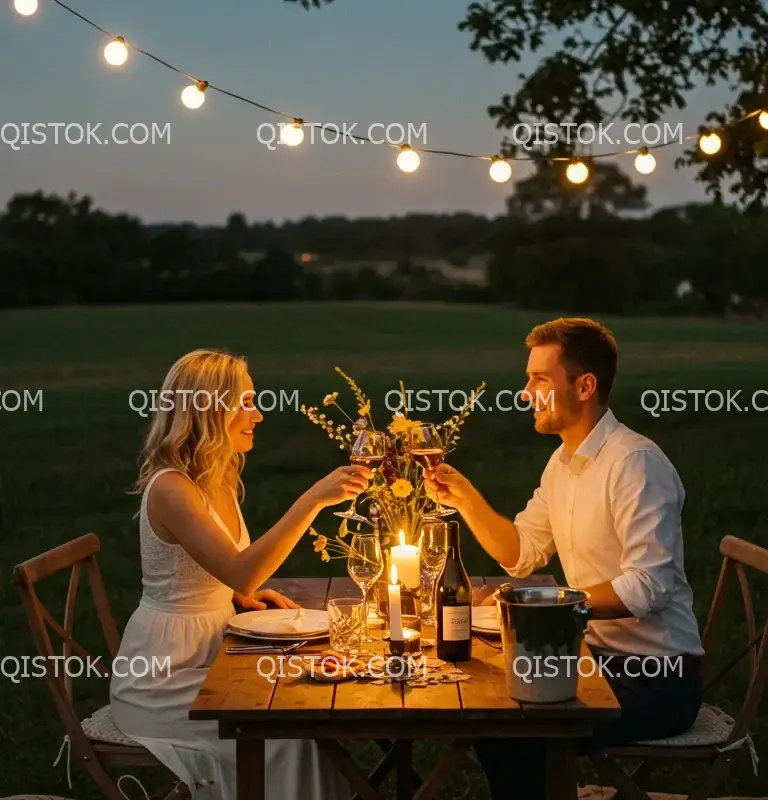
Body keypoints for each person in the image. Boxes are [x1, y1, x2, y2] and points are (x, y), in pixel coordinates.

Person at [424, 317, 703, 800]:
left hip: (655, 678)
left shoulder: (635, 464)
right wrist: (464, 497)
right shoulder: (563, 462)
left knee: (513, 732)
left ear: (585, 385)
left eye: (539, 379)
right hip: (591, 658)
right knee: (492, 712)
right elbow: (521, 552)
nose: (525, 392)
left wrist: (544, 606)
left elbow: (648, 586)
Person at [110, 348, 372, 799]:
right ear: (210, 410)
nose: (258, 415)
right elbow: (242, 572)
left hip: (210, 648)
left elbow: (220, 577)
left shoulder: (216, 477)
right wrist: (313, 500)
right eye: (246, 403)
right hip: (164, 676)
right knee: (285, 736)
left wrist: (231, 600)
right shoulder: (172, 488)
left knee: (298, 712)